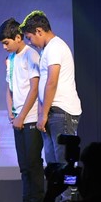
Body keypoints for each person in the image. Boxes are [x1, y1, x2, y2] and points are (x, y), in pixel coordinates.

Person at [0, 17, 45, 202]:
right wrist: (10, 110)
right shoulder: (10, 59)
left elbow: (34, 88)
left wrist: (22, 116)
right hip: (18, 119)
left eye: (6, 43)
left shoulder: (30, 54)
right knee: (24, 167)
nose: (4, 47)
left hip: (31, 118)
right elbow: (9, 87)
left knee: (34, 164)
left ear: (18, 37)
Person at [21, 11, 82, 166]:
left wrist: (43, 114)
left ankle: (69, 184)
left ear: (39, 31)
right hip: (52, 112)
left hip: (61, 112)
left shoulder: (55, 47)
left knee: (65, 164)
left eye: (29, 37)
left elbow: (52, 82)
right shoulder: (47, 49)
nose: (30, 43)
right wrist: (42, 113)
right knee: (53, 164)